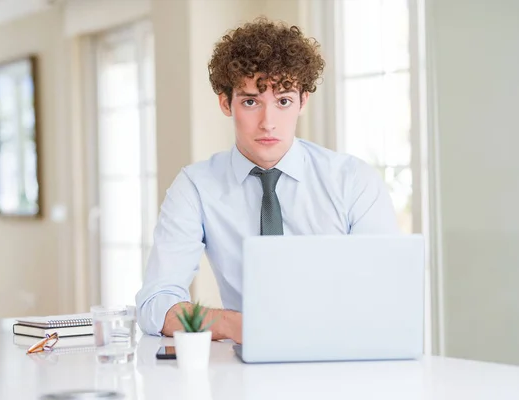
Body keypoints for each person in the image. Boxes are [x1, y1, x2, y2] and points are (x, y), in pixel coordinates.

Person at [136, 17, 398, 344]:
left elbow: (388, 293)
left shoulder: (353, 181)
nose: (268, 123)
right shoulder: (196, 187)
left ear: (303, 101)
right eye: (250, 102)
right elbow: (154, 304)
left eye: (283, 101)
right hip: (244, 367)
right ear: (224, 102)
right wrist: (232, 325)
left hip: (343, 356)